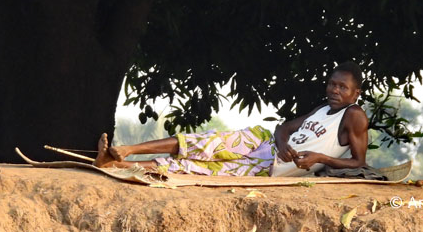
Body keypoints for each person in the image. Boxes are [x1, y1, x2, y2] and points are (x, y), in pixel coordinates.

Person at [94, 61, 369, 177]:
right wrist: (283, 142)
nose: (334, 90)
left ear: (355, 93)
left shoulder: (354, 116)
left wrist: (319, 159)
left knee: (197, 167)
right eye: (332, 84)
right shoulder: (322, 109)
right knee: (207, 142)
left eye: (342, 87)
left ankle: (119, 164)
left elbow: (358, 161)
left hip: (271, 166)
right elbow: (283, 127)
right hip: (267, 141)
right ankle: (127, 150)